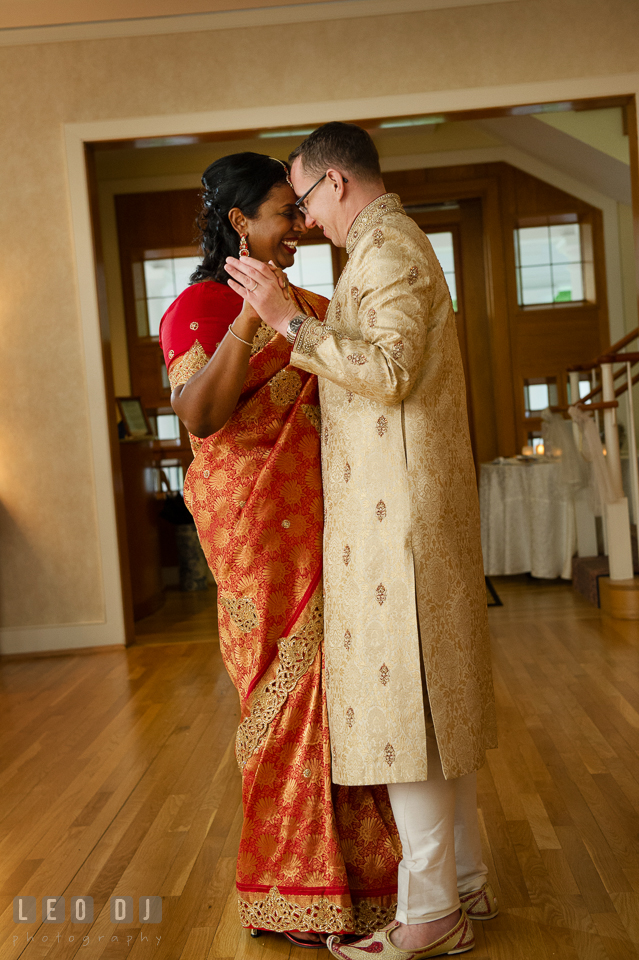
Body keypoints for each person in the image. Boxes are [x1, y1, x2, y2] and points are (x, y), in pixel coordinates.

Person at [224, 125, 499, 959]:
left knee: (405, 719)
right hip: (396, 513)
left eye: (304, 200)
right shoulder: (381, 246)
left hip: (398, 524)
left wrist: (283, 321)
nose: (304, 221)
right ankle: (463, 882)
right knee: (432, 706)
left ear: (336, 183)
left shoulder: (385, 253)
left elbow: (388, 373)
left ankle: (428, 917)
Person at [159, 152, 401, 945]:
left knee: (340, 701)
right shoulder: (192, 309)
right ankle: (289, 887)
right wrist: (247, 318)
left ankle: (364, 884)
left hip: (327, 528)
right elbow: (200, 417)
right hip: (254, 535)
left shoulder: (315, 305)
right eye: (280, 214)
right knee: (283, 703)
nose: (299, 226)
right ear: (239, 224)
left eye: (301, 212)